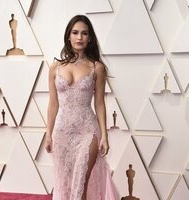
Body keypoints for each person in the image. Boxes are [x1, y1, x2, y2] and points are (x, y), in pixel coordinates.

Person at [45, 15, 119, 200]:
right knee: (65, 183)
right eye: (75, 33)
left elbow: (100, 104)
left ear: (90, 38)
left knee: (81, 184)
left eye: (84, 33)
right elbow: (53, 104)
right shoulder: (55, 67)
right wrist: (48, 134)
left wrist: (104, 136)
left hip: (87, 131)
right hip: (62, 133)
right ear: (68, 36)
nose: (80, 37)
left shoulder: (97, 68)